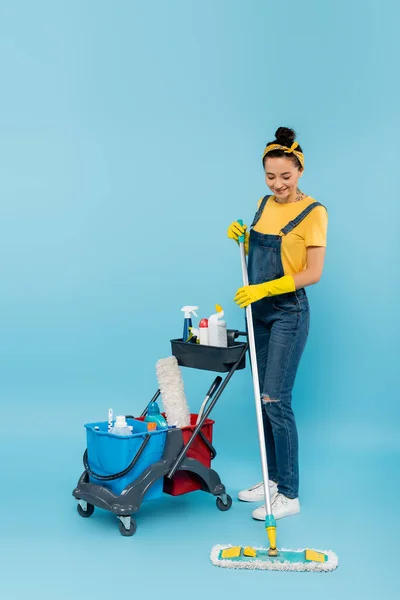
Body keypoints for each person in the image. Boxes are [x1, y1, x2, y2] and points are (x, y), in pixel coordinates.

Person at [227, 127, 328, 521]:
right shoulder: (263, 204)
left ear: (299, 171)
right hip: (259, 313)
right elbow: (259, 248)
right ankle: (271, 479)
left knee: (276, 400)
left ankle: (289, 492)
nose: (278, 184)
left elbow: (313, 272)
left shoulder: (314, 211)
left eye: (286, 176)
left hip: (288, 312)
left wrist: (263, 289)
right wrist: (241, 239)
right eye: (271, 176)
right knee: (260, 400)